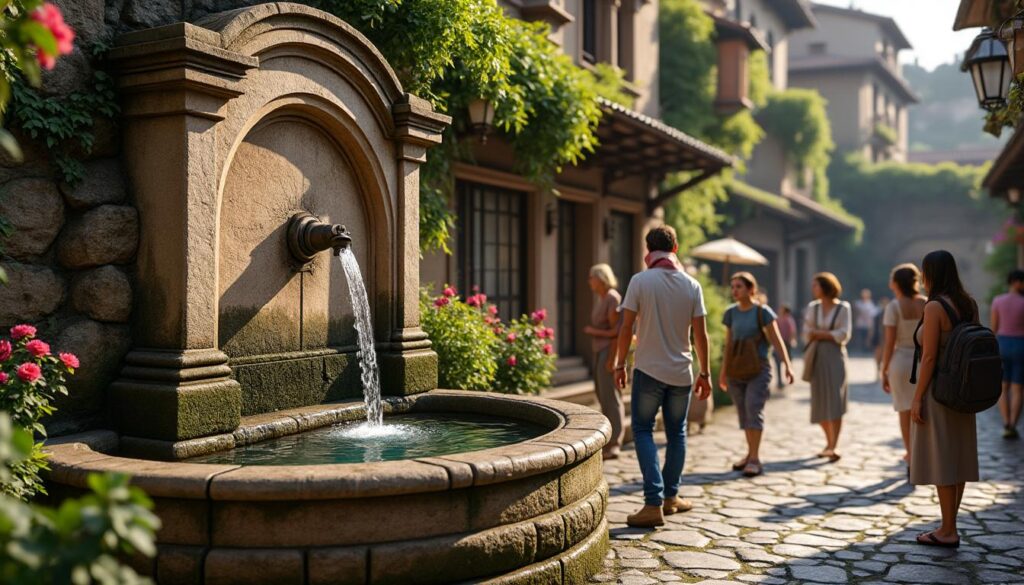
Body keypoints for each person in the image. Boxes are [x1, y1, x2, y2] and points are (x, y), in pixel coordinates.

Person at [612, 225, 712, 528]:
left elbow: (626, 327)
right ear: (676, 248)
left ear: (648, 248)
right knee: (676, 433)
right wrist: (704, 372)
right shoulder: (692, 285)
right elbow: (701, 335)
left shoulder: (640, 281)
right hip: (681, 372)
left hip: (648, 370)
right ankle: (670, 498)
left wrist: (620, 364)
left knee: (643, 430)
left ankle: (654, 503)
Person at [910, 250, 979, 548]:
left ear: (931, 274)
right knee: (958, 459)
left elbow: (928, 357)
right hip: (965, 392)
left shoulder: (935, 307)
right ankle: (949, 525)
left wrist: (917, 396)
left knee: (942, 459)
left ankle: (948, 530)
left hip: (940, 391)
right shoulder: (968, 303)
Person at [719, 273, 795, 477]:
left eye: (739, 287)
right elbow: (729, 345)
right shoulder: (730, 313)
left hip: (759, 369)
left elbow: (777, 340)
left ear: (751, 289)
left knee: (753, 408)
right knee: (744, 414)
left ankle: (754, 458)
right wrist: (723, 372)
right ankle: (749, 453)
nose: (735, 290)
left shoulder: (763, 312)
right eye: (733, 287)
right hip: (736, 370)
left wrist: (787, 365)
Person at [881, 264, 926, 468]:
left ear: (896, 282)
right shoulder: (926, 303)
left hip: (900, 361)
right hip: (923, 360)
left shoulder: (894, 306)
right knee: (923, 410)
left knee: (904, 412)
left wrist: (884, 370)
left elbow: (889, 343)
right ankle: (922, 451)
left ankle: (910, 454)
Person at [803, 272, 852, 462]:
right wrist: (826, 333)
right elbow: (806, 332)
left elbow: (844, 334)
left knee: (835, 400)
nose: (813, 289)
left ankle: (834, 445)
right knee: (819, 400)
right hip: (816, 356)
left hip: (835, 356)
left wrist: (821, 333)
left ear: (825, 286)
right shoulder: (812, 308)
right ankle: (828, 442)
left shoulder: (843, 307)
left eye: (816, 285)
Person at [583, 263, 624, 459]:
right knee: (602, 395)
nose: (589, 281)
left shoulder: (612, 298)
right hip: (599, 350)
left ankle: (615, 442)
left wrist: (613, 359)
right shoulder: (601, 299)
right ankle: (608, 440)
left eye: (592, 277)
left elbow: (618, 331)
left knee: (611, 398)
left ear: (601, 278)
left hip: (608, 352)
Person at [992, 269, 1024, 440]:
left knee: (1003, 387)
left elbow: (994, 327)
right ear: (1017, 282)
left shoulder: (998, 301)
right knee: (1018, 388)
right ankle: (1013, 424)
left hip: (1002, 344)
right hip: (1021, 345)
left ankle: (1005, 422)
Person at [774, 305, 799, 390]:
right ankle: (781, 381)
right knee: (781, 361)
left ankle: (785, 378)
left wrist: (792, 339)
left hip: (785, 343)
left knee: (784, 361)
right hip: (781, 342)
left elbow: (792, 331)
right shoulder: (780, 319)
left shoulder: (787, 319)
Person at [854, 289, 878, 354]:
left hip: (868, 325)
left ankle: (866, 351)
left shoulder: (871, 304)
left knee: (867, 339)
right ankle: (859, 351)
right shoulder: (858, 303)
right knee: (859, 339)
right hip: (859, 324)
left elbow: (873, 315)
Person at [872, 297, 890, 380]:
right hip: (878, 338)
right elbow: (873, 328)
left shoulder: (890, 314)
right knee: (878, 358)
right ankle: (878, 373)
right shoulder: (877, 315)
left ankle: (885, 374)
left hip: (887, 339)